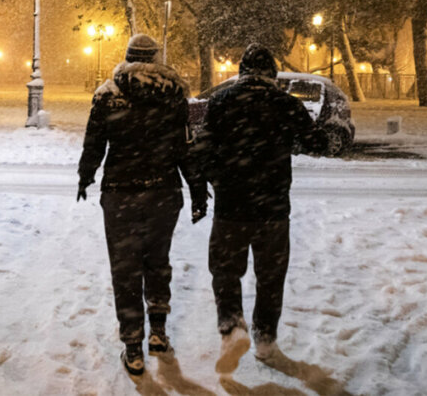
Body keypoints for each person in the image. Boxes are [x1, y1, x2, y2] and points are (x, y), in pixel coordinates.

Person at [193, 44, 328, 373]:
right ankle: (265, 340)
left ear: (241, 73)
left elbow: (202, 149)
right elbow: (317, 143)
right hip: (273, 209)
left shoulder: (221, 102)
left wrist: (216, 180)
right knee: (270, 277)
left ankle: (231, 328)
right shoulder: (285, 104)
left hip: (231, 207)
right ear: (272, 74)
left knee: (225, 271)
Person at [78, 34, 207, 376]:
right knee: (157, 261)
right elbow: (185, 147)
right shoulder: (174, 94)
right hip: (163, 193)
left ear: (128, 57)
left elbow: (94, 142)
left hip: (121, 193)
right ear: (155, 58)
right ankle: (159, 333)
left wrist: (85, 176)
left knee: (125, 269)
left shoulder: (108, 95)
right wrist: (197, 189)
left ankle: (133, 346)